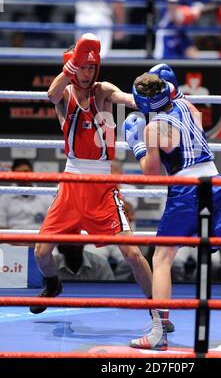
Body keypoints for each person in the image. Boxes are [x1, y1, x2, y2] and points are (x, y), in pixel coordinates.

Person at [122, 64, 221, 353]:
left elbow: (152, 172)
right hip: (217, 182)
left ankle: (159, 332)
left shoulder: (152, 128)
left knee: (162, 257)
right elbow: (151, 99)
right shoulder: (187, 105)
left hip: (186, 189)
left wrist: (138, 146)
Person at [30, 33, 156, 316]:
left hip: (102, 186)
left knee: (132, 252)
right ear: (73, 66)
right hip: (72, 182)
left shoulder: (102, 91)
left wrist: (150, 99)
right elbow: (50, 94)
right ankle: (52, 284)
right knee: (41, 253)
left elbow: (126, 99)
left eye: (90, 67)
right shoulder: (63, 95)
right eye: (82, 67)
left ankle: (158, 308)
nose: (87, 74)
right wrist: (71, 67)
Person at [0, 159, 54, 230]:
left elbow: (52, 226)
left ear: (32, 172)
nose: (23, 176)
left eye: (26, 171)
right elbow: (2, 227)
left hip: (39, 239)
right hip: (11, 239)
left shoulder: (46, 197)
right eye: (18, 173)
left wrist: (41, 240)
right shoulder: (4, 198)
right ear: (13, 175)